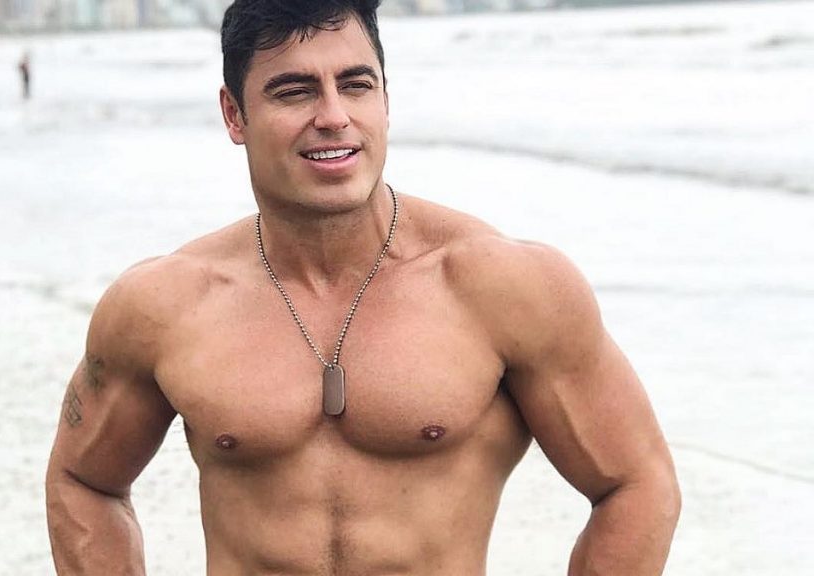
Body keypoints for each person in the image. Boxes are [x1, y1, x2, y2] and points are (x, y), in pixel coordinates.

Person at [44, 0, 681, 574]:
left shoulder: (504, 288)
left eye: (355, 85)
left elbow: (636, 483)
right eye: (294, 92)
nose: (333, 116)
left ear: (386, 101)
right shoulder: (165, 306)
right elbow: (82, 481)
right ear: (235, 115)